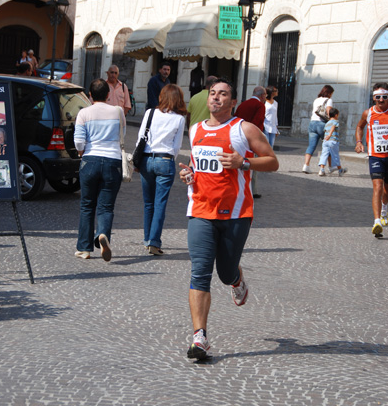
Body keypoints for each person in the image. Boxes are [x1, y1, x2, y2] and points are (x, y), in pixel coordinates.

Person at [179, 78, 279, 360]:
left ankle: (237, 279)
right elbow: (197, 164)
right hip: (200, 210)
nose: (216, 98)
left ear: (232, 102)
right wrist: (188, 174)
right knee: (200, 272)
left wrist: (243, 162)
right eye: (213, 93)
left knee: (225, 273)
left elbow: (272, 161)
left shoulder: (243, 129)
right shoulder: (195, 129)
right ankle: (200, 338)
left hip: (236, 213)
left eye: (223, 94)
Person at [74, 78, 125, 262]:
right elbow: (122, 135)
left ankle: (84, 249)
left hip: (90, 160)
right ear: (108, 94)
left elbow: (79, 142)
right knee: (106, 206)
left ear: (89, 95)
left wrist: (83, 151)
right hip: (113, 161)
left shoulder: (84, 113)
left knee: (87, 205)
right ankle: (102, 234)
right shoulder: (118, 112)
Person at [137, 84, 186, 255]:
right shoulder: (179, 119)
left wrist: (138, 161)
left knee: (148, 203)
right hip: (165, 160)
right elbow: (177, 146)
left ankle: (147, 239)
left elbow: (140, 138)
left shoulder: (150, 113)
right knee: (160, 203)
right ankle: (154, 242)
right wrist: (170, 159)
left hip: (146, 159)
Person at [355, 82, 388, 236]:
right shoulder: (367, 113)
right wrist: (359, 142)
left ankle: (385, 210)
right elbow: (359, 127)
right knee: (378, 186)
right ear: (374, 98)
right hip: (375, 155)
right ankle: (376, 221)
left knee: (386, 189)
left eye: (384, 97)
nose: (381, 100)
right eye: (378, 97)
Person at [235, 86, 267, 198]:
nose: (265, 98)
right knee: (253, 164)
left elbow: (235, 119)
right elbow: (257, 122)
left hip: (239, 136)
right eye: (265, 96)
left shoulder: (242, 104)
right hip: (251, 139)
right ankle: (252, 190)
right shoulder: (260, 106)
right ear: (262, 95)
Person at [303, 84, 334, 173]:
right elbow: (328, 110)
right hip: (322, 124)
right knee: (327, 146)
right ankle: (329, 167)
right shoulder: (329, 100)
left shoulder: (316, 100)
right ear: (329, 93)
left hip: (312, 123)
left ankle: (306, 165)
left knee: (311, 146)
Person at [318, 108, 347, 176]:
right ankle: (340, 170)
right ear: (336, 115)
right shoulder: (335, 121)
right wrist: (330, 135)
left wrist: (327, 136)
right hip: (333, 141)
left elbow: (325, 131)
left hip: (325, 142)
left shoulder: (327, 123)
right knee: (335, 155)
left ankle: (321, 170)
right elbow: (333, 127)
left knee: (324, 155)